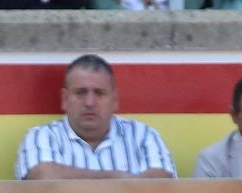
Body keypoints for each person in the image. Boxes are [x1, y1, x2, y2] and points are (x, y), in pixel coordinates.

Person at [15, 55, 176, 181]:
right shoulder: (41, 136)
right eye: (80, 93)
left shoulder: (143, 136)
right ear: (64, 99)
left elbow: (161, 184)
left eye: (99, 93)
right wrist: (117, 178)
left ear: (115, 100)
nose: (89, 103)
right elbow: (43, 178)